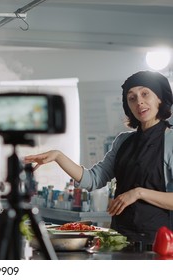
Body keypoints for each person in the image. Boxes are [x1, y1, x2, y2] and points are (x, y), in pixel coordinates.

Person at [24, 70, 173, 245]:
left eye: (145, 93)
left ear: (160, 98)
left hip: (160, 242)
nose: (139, 101)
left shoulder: (170, 141)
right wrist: (58, 156)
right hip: (121, 238)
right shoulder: (123, 141)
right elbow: (92, 180)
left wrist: (138, 193)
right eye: (131, 98)